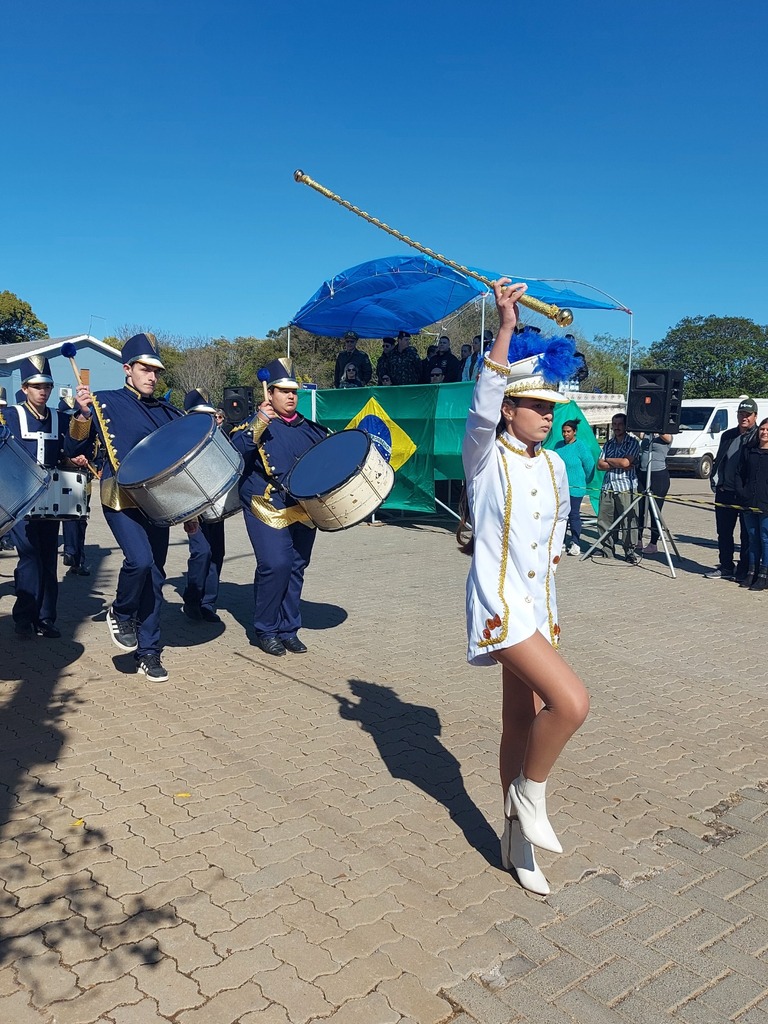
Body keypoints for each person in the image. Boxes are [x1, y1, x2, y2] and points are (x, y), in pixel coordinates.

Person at [458, 278, 589, 896]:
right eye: (536, 404)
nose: (547, 414)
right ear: (510, 408)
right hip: (498, 605)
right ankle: (529, 797)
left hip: (539, 609)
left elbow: (556, 539)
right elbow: (481, 403)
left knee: (522, 718)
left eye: (553, 406)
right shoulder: (484, 456)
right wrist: (505, 327)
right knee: (572, 704)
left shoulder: (558, 465)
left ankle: (514, 841)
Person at [68, 333, 198, 681]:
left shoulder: (170, 413)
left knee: (154, 578)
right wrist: (81, 415)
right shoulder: (103, 401)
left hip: (158, 502)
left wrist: (192, 514)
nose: (151, 376)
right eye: (144, 369)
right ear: (128, 369)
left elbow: (182, 464)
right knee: (139, 561)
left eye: (156, 370)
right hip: (120, 498)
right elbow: (73, 444)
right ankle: (122, 612)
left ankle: (149, 652)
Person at [231, 358, 328, 656]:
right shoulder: (254, 425)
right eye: (283, 391)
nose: (290, 396)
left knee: (297, 565)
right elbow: (236, 453)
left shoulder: (311, 429)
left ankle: (289, 628)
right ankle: (266, 628)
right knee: (276, 564)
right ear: (269, 393)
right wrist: (259, 421)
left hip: (302, 506)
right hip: (266, 504)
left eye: (294, 392)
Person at [4, 358, 90, 638]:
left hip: (51, 497)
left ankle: (45, 617)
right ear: (26, 388)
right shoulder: (11, 416)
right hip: (20, 498)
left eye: (47, 386)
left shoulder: (58, 416)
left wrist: (82, 414)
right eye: (37, 386)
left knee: (48, 557)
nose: (43, 391)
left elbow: (73, 443)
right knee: (29, 557)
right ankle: (24, 617)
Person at [181, 389, 226, 624]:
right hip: (193, 509)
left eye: (211, 415)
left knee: (217, 553)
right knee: (201, 552)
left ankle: (208, 603)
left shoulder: (218, 438)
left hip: (216, 507)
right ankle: (192, 600)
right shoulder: (183, 440)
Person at [705, 397, 758, 581]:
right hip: (724, 492)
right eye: (741, 414)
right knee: (724, 532)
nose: (744, 418)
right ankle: (726, 566)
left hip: (745, 494)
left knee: (747, 534)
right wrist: (715, 480)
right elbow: (720, 459)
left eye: (747, 415)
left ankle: (744, 569)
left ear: (755, 416)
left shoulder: (758, 436)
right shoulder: (728, 435)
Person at [595, 414, 641, 563]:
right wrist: (617, 462)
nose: (616, 426)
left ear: (626, 425)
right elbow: (600, 465)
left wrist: (609, 460)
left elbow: (625, 462)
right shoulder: (608, 444)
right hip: (608, 486)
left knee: (629, 521)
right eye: (614, 424)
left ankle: (629, 552)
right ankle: (607, 549)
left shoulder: (632, 443)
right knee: (604, 520)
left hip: (625, 487)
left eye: (620, 424)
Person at [553, 419, 596, 556]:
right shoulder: (558, 446)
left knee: (574, 515)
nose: (565, 434)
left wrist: (585, 481)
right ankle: (561, 541)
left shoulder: (580, 446)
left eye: (568, 431)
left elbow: (589, 466)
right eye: (564, 431)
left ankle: (576, 542)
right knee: (560, 515)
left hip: (576, 487)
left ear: (574, 432)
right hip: (560, 488)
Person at [735, 416, 768, 591]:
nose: (764, 432)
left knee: (765, 538)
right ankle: (751, 572)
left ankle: (764, 575)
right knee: (753, 538)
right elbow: (739, 473)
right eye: (762, 429)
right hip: (749, 502)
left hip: (766, 504)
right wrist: (742, 492)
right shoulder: (750, 450)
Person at [635, 431, 672, 555]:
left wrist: (658, 427)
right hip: (643, 473)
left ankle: (653, 543)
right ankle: (638, 539)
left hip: (658, 475)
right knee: (640, 508)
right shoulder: (647, 434)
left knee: (655, 509)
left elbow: (666, 437)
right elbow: (636, 431)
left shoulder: (666, 436)